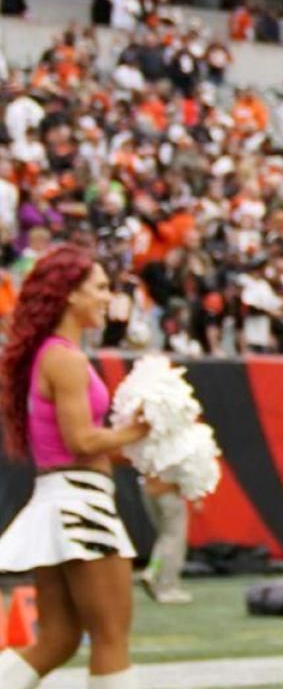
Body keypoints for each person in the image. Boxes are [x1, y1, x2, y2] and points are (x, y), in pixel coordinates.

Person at [0, 245, 152, 689]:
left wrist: (149, 448)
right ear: (70, 294)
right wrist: (139, 430)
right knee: (111, 638)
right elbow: (81, 441)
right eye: (101, 287)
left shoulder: (48, 355)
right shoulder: (65, 358)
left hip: (60, 501)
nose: (108, 297)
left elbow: (84, 445)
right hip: (81, 507)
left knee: (58, 639)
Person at [137, 478, 191, 604]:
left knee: (165, 537)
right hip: (168, 492)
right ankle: (167, 587)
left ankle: (152, 571)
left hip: (148, 489)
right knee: (173, 538)